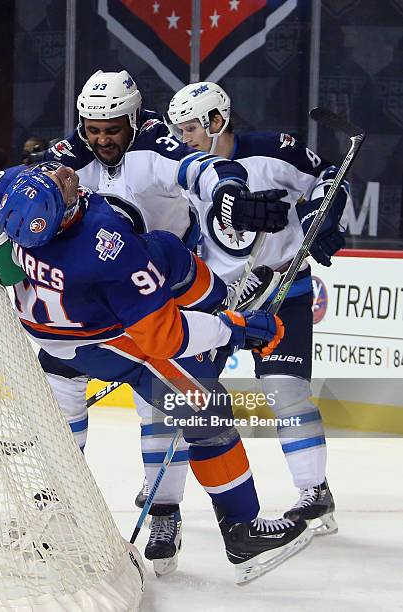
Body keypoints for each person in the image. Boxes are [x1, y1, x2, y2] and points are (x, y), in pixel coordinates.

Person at [0, 162, 313, 583]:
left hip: (50, 336)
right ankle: (242, 531)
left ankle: (52, 508)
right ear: (60, 214)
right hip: (106, 345)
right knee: (206, 410)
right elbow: (163, 339)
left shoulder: (2, 193)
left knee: (164, 249)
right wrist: (233, 331)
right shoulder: (103, 247)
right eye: (61, 184)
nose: (67, 175)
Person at [27, 69, 292, 573]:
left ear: (134, 118)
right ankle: (235, 525)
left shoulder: (149, 149)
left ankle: (138, 514)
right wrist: (235, 326)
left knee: (123, 417)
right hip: (128, 312)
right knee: (196, 403)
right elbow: (169, 327)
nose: (101, 139)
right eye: (92, 128)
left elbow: (203, 170)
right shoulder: (118, 229)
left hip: (79, 320)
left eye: (112, 128)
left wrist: (228, 194)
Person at [165, 81, 348, 535]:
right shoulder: (182, 166)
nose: (183, 137)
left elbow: (329, 176)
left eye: (191, 127)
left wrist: (321, 215)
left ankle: (314, 490)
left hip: (285, 288)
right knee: (191, 393)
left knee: (284, 389)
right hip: (219, 297)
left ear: (216, 121)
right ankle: (167, 505)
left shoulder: (273, 150)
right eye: (179, 128)